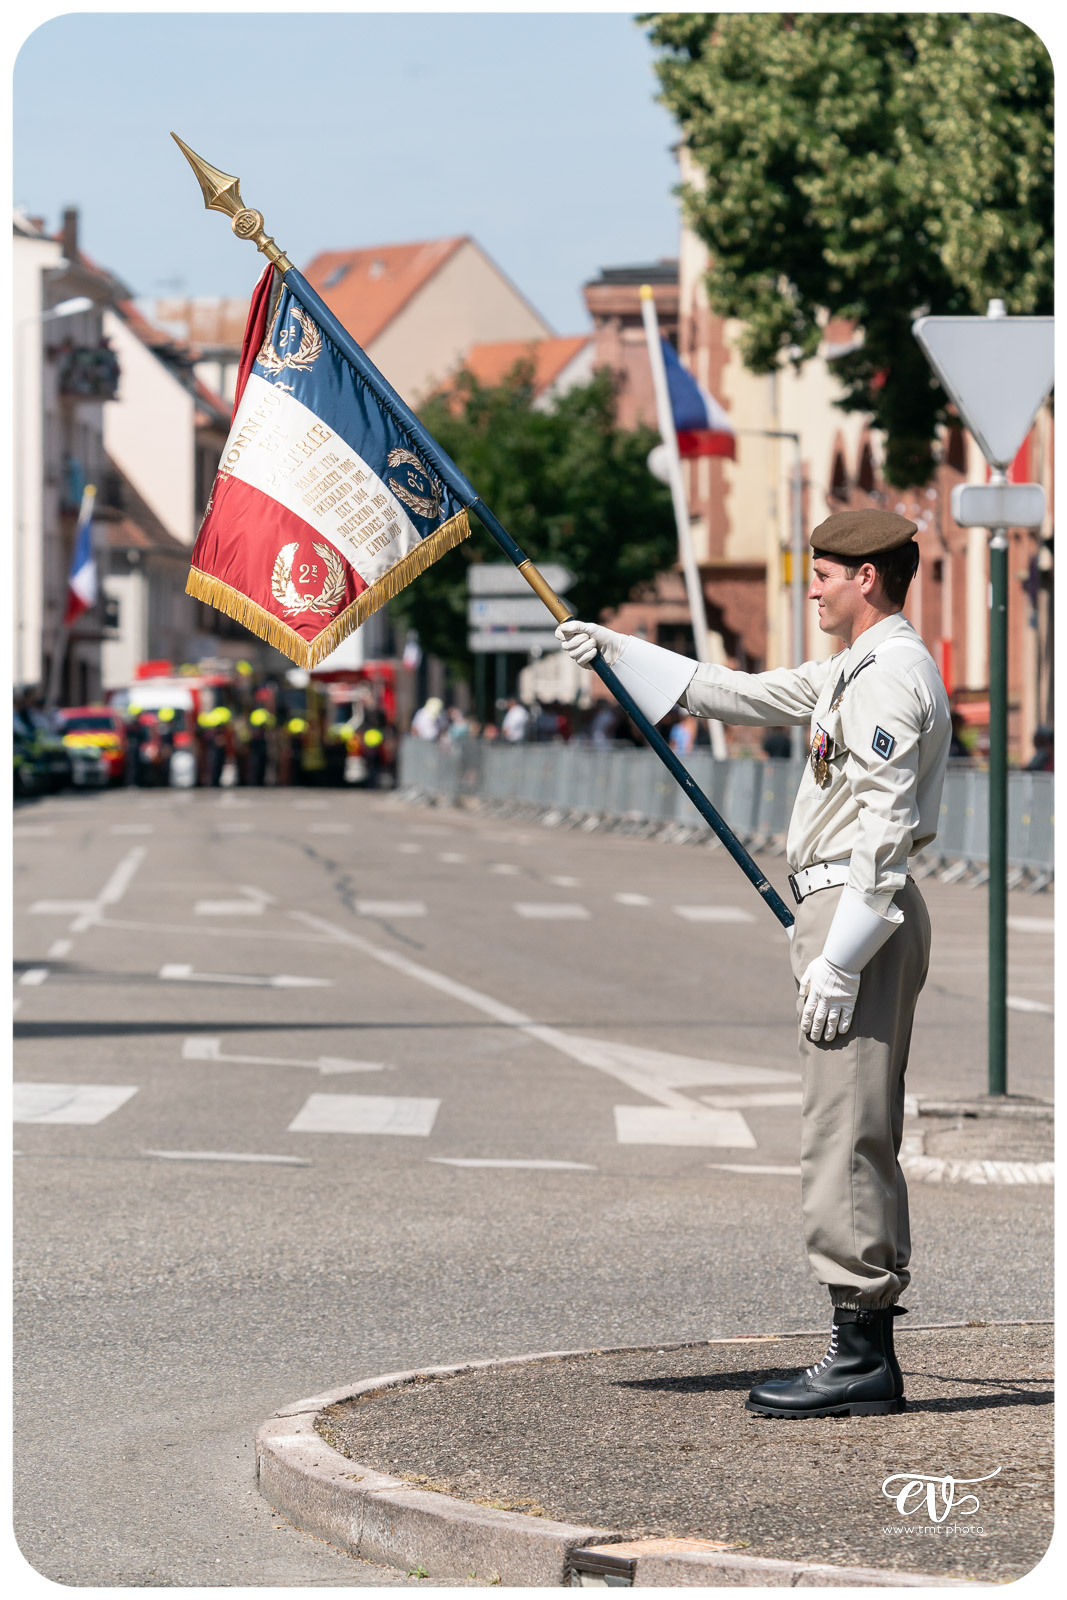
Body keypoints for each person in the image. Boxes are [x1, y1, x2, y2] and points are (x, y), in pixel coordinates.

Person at [557, 508, 951, 1419]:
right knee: (844, 1123)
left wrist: (843, 956)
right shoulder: (854, 668)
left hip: (860, 912)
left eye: (823, 572)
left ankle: (858, 1357)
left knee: (844, 1130)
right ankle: (858, 1345)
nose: (808, 584)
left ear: (868, 578)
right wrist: (617, 649)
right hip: (841, 908)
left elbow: (885, 833)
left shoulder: (889, 677)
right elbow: (739, 693)